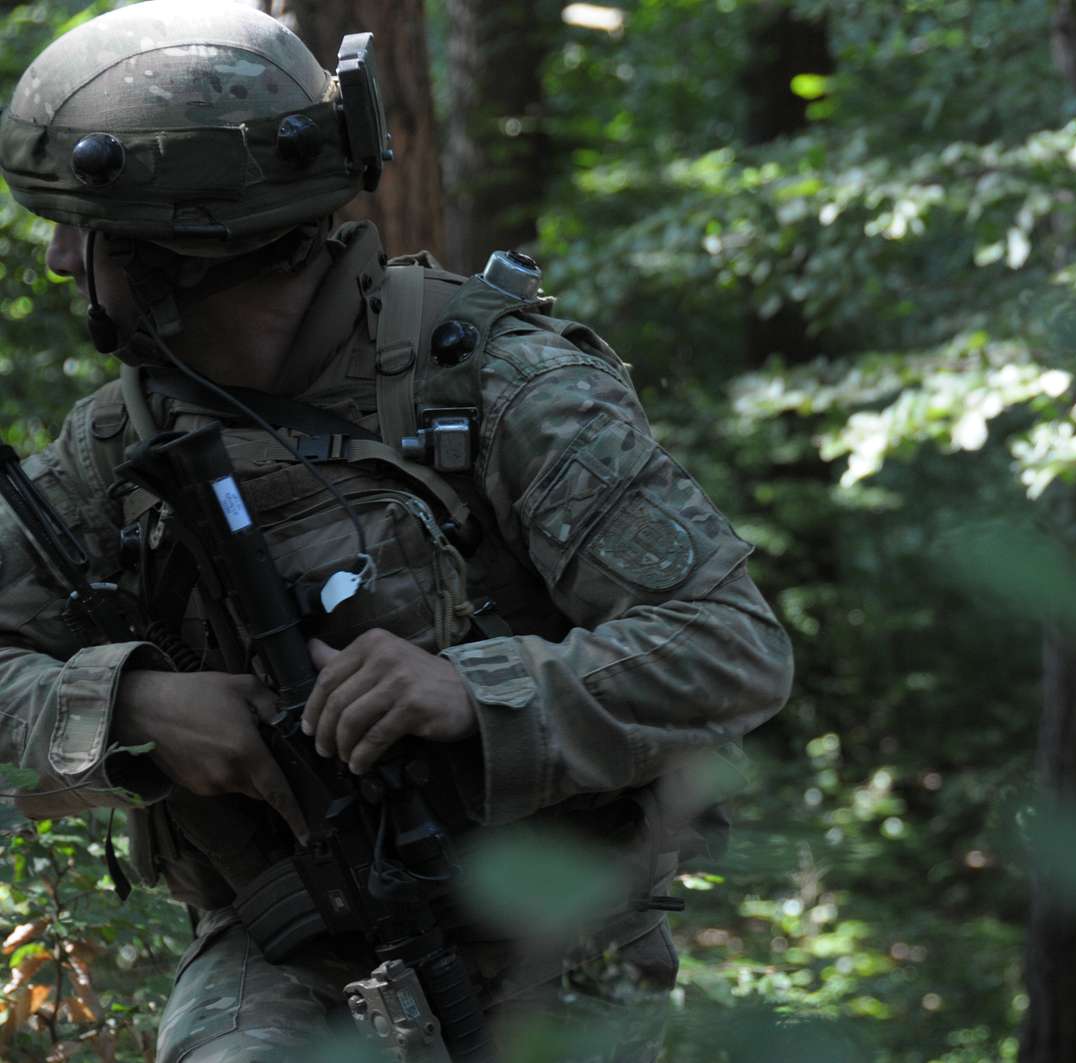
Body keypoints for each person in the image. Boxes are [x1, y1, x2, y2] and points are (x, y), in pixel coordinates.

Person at [0, 2, 792, 1060]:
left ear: (179, 252)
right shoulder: (115, 448)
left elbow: (731, 648)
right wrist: (135, 702)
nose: (58, 263)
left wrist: (473, 690)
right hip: (287, 938)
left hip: (557, 943)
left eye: (83, 235)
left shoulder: (503, 388)